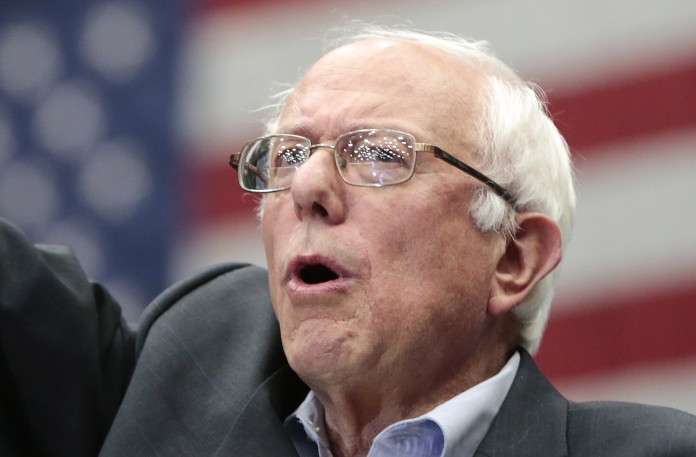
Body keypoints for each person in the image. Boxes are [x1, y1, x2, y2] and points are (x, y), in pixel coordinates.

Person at [0, 24, 694, 457]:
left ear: (512, 257)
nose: (307, 187)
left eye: (381, 154)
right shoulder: (188, 359)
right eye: (289, 153)